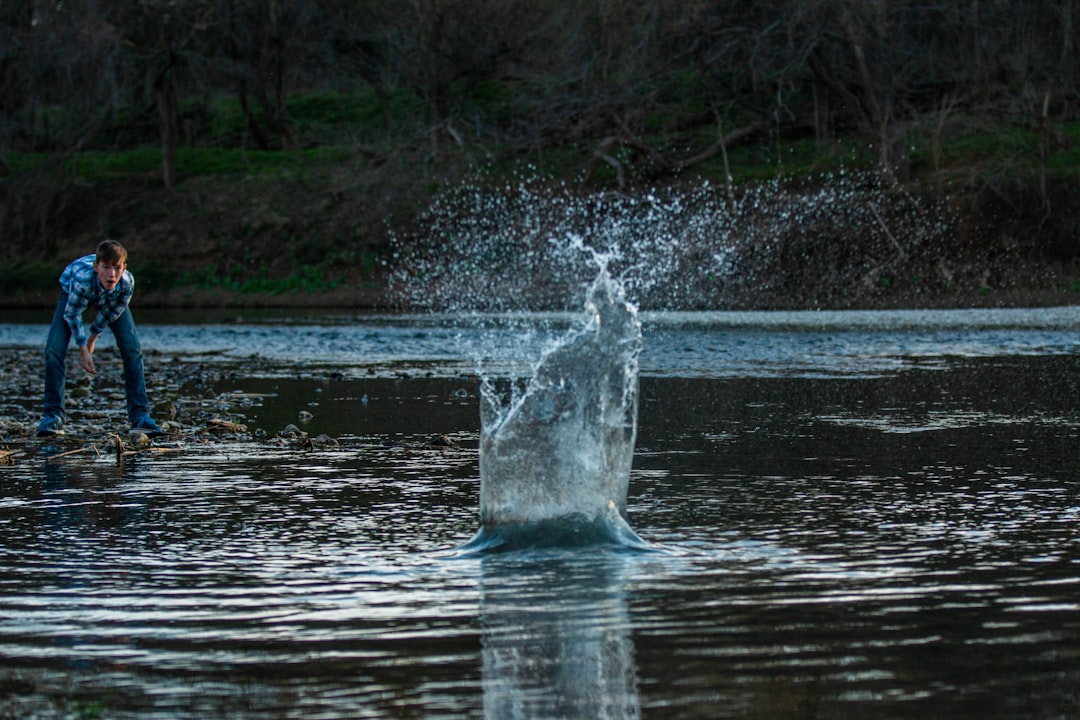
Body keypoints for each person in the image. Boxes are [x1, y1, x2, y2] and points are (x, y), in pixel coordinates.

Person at [36, 240, 163, 437]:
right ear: (96, 267)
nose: (112, 274)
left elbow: (111, 312)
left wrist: (93, 337)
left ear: (124, 268)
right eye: (106, 268)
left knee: (132, 349)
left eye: (117, 268)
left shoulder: (126, 283)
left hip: (111, 299)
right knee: (54, 348)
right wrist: (83, 348)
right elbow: (73, 315)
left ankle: (140, 416)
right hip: (72, 290)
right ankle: (52, 416)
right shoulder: (82, 281)